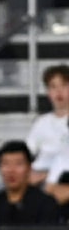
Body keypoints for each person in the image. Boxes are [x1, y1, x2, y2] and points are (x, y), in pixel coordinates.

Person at [0, 140, 61, 226]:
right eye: (6, 164)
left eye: (18, 164)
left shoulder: (46, 205)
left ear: (29, 168)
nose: (11, 170)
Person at [26, 64, 69, 221]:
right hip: (43, 182)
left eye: (64, 85)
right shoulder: (42, 123)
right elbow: (27, 154)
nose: (59, 92)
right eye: (53, 86)